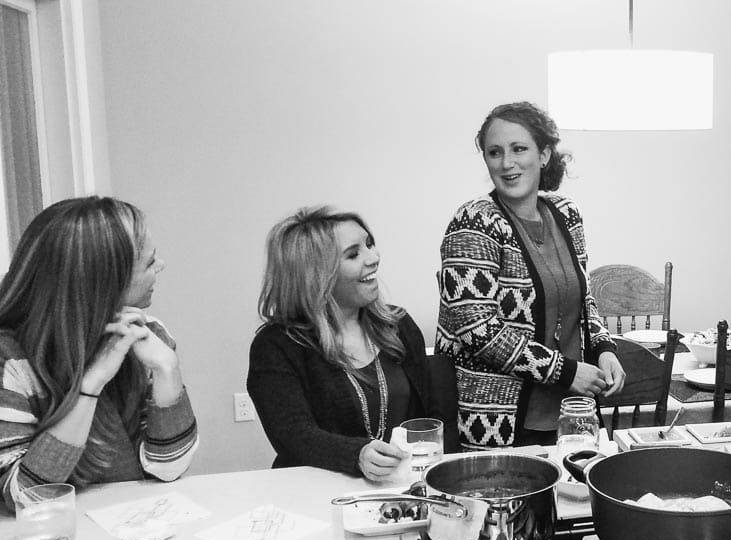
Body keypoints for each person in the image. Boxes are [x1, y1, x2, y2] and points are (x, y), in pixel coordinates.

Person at [437, 101, 625, 449]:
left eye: (519, 149)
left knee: (575, 503)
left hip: (573, 414)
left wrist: (603, 349)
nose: (507, 163)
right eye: (495, 153)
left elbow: (582, 297)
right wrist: (567, 372)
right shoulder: (473, 224)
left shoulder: (567, 214)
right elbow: (478, 331)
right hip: (500, 420)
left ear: (544, 155)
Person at [0, 197, 198, 511]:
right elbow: (22, 497)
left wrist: (167, 369)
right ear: (105, 282)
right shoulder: (10, 359)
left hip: (132, 534)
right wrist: (91, 384)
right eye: (150, 262)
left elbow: (168, 467)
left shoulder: (148, 337)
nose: (162, 267)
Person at [247, 207, 457, 480]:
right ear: (317, 275)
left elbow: (433, 416)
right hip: (317, 495)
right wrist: (356, 454)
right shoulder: (275, 346)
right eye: (353, 254)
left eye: (369, 244)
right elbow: (292, 435)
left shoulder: (399, 325)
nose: (374, 258)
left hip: (402, 491)